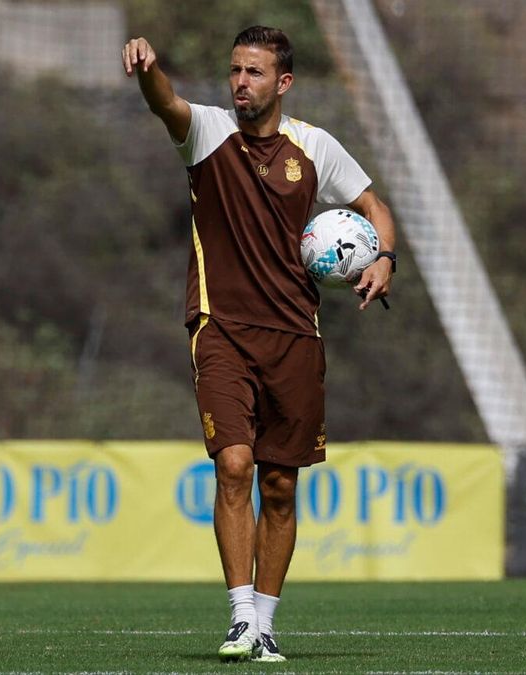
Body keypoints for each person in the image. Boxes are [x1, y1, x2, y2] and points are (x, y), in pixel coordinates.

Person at [121, 25, 397, 663]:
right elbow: (167, 103)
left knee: (280, 485)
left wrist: (384, 258)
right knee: (235, 465)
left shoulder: (315, 147)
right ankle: (240, 616)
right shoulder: (207, 133)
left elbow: (374, 206)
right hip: (220, 325)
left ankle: (266, 625)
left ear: (283, 83)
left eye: (253, 73)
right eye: (234, 71)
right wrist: (148, 70)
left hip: (297, 332)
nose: (240, 83)